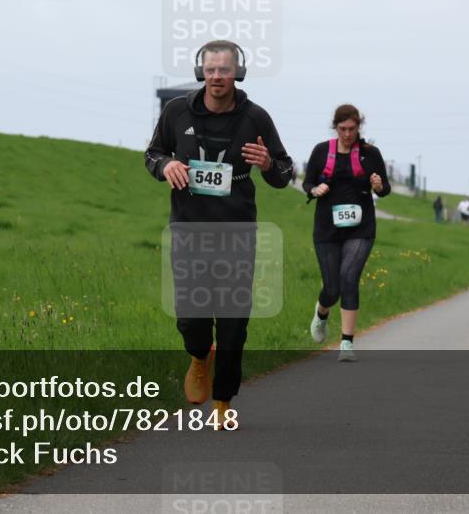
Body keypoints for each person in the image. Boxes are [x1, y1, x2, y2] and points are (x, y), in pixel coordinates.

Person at [145, 39, 293, 429]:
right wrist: (166, 167)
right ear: (200, 72)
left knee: (232, 321)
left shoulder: (256, 118)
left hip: (237, 233)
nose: (216, 77)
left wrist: (267, 165)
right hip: (189, 231)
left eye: (224, 70)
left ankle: (223, 403)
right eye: (210, 70)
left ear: (237, 73)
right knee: (191, 318)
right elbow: (152, 154)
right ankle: (198, 356)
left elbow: (284, 173)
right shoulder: (177, 112)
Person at [304, 104, 390, 362]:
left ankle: (346, 344)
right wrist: (314, 190)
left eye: (352, 129)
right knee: (332, 288)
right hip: (327, 228)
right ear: (335, 127)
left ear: (359, 126)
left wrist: (378, 185)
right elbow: (307, 182)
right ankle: (321, 314)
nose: (348, 134)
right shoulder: (321, 151)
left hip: (360, 228)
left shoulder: (370, 153)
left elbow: (385, 188)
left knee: (349, 278)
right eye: (343, 129)